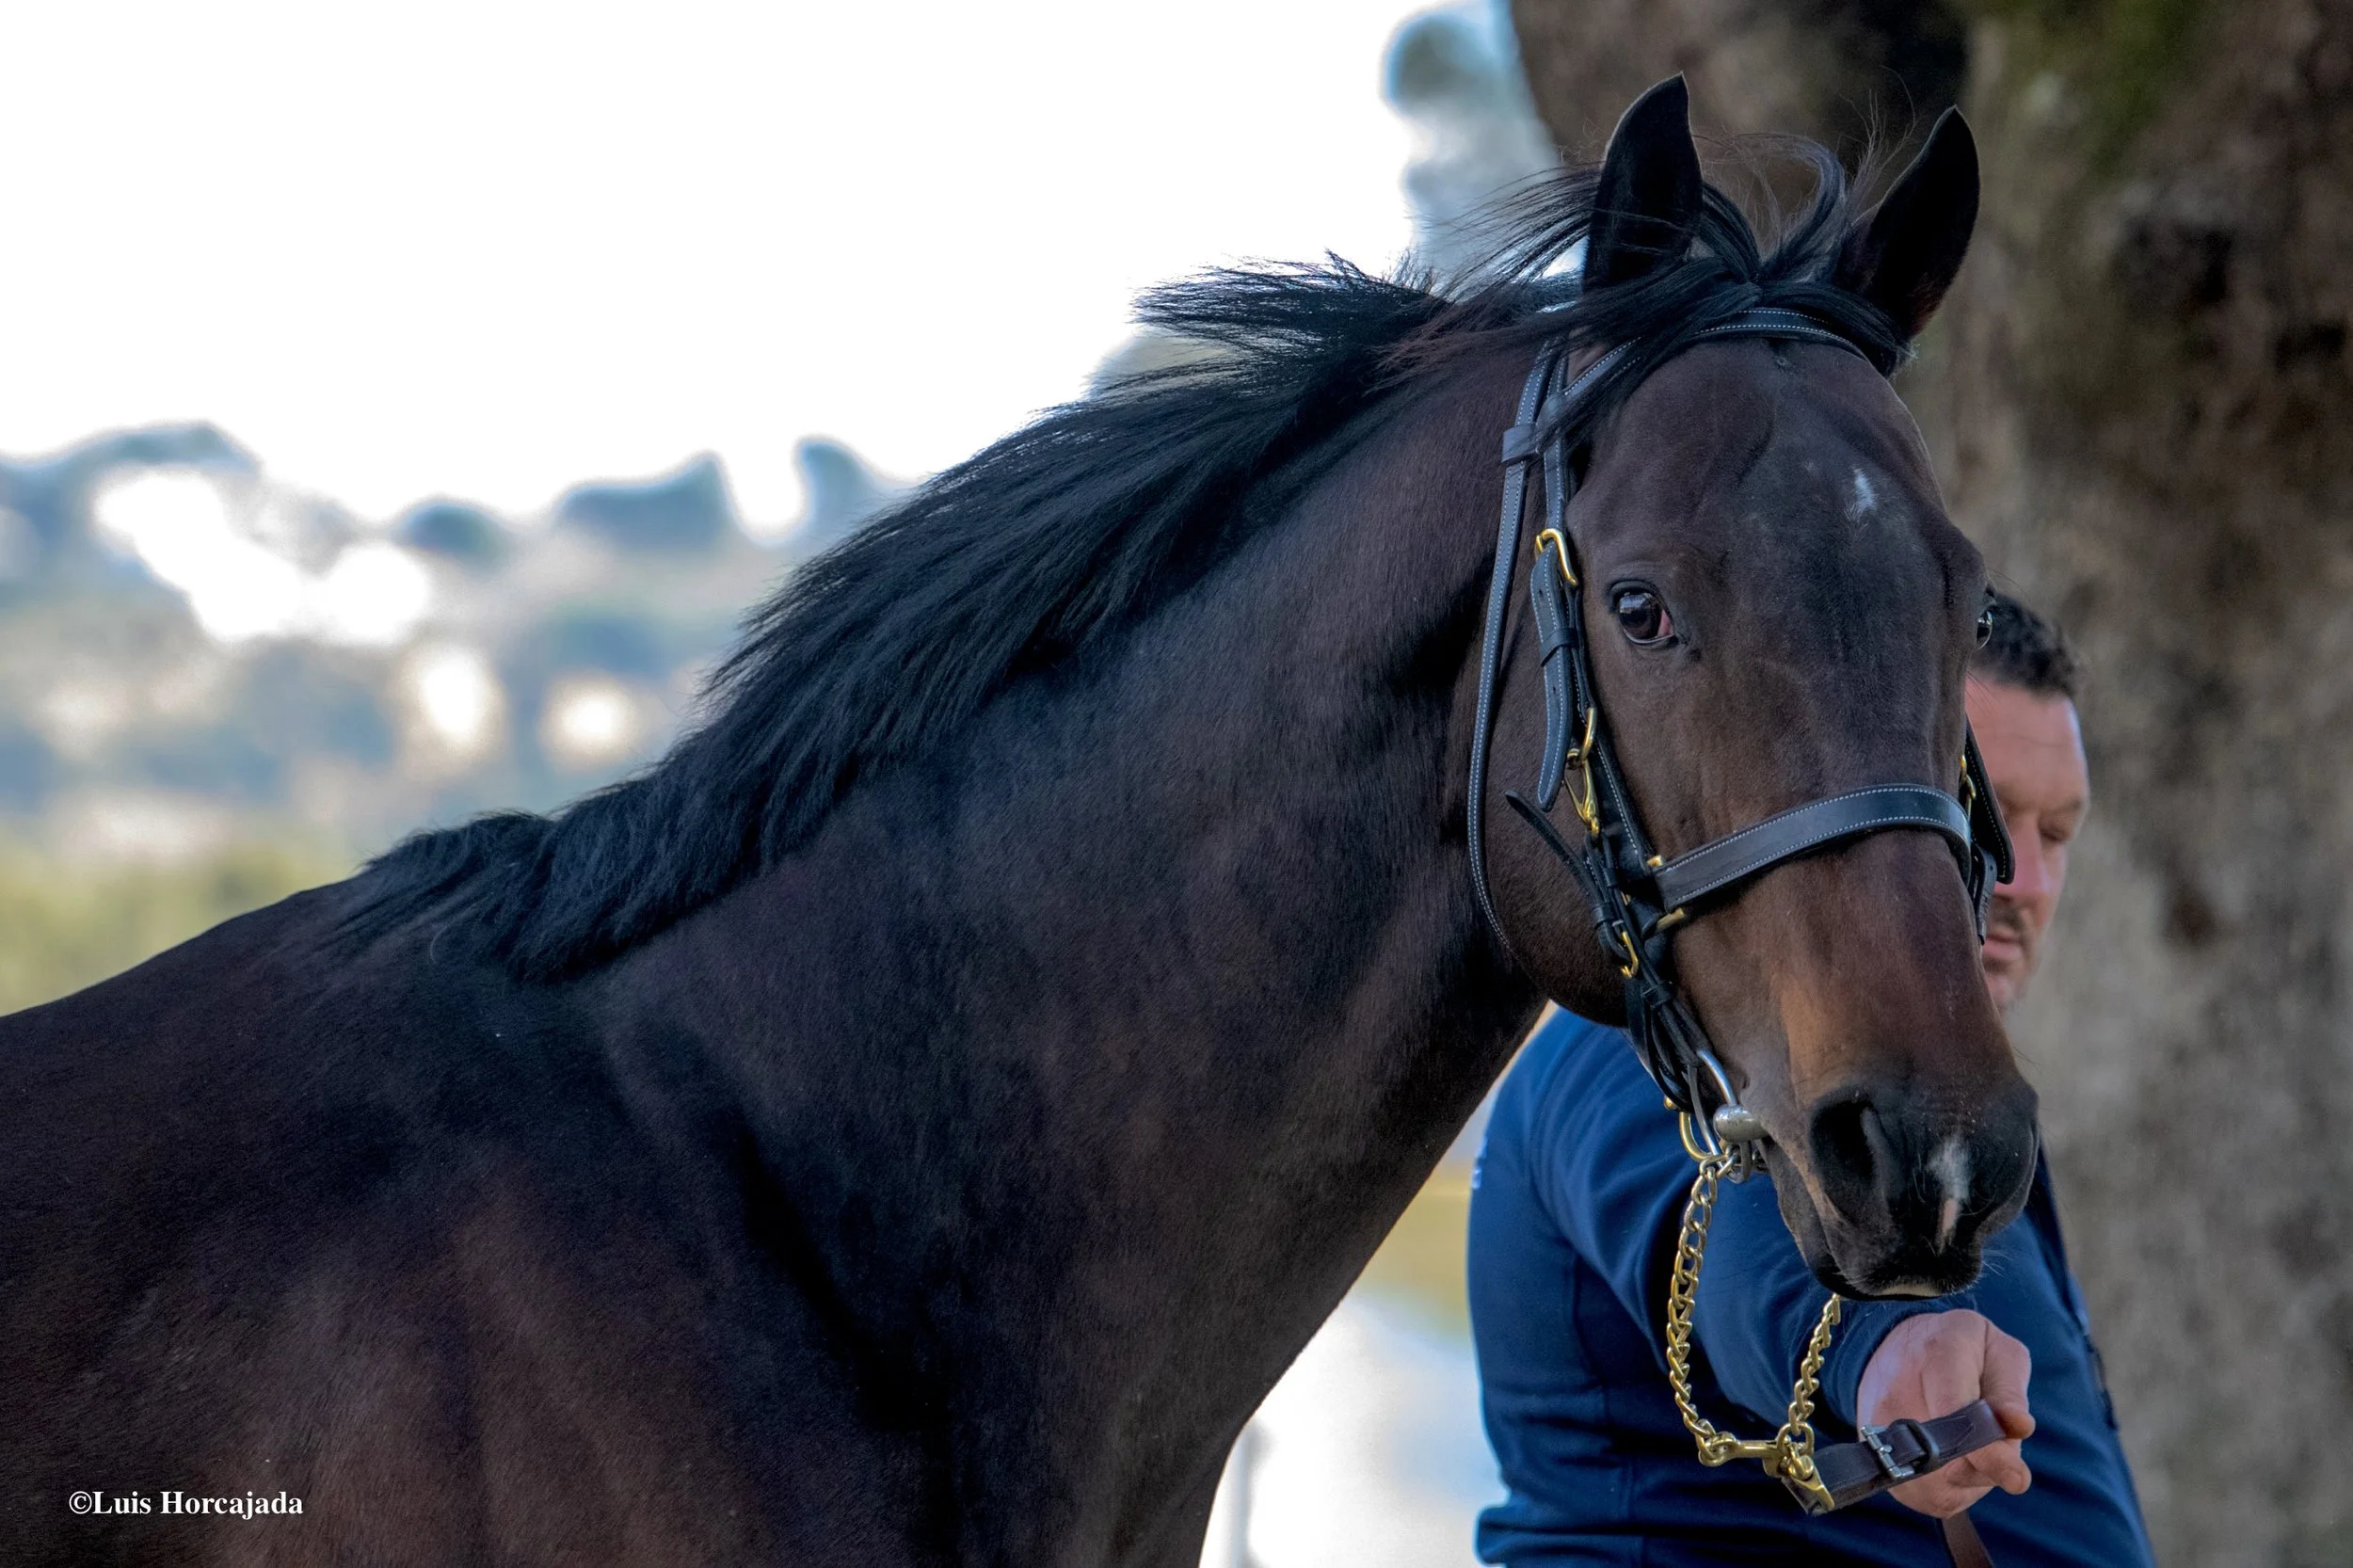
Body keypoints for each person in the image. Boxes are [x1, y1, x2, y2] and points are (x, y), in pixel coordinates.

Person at [1468, 592, 2153, 1565]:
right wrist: (1880, 1350)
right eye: (1986, 815)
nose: (2027, 883)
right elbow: (1721, 1211)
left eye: (2058, 832)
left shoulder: (1939, 1105)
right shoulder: (1652, 1036)